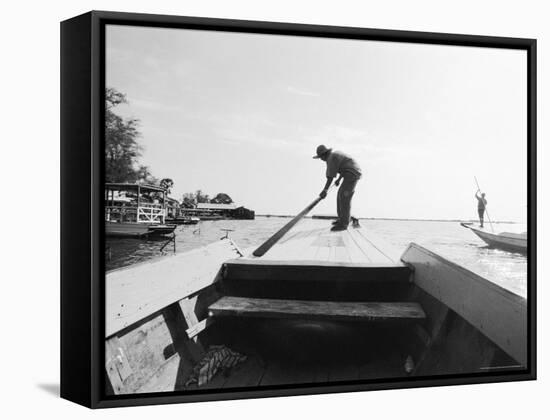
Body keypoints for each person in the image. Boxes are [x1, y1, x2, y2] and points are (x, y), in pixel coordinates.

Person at [313, 145, 362, 231]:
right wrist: (339, 179)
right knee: (340, 195)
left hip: (352, 173)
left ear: (324, 155)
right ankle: (341, 219)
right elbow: (344, 167)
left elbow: (330, 177)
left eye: (321, 157)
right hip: (350, 172)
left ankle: (344, 224)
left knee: (344, 197)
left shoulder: (331, 158)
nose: (321, 159)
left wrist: (325, 190)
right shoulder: (334, 155)